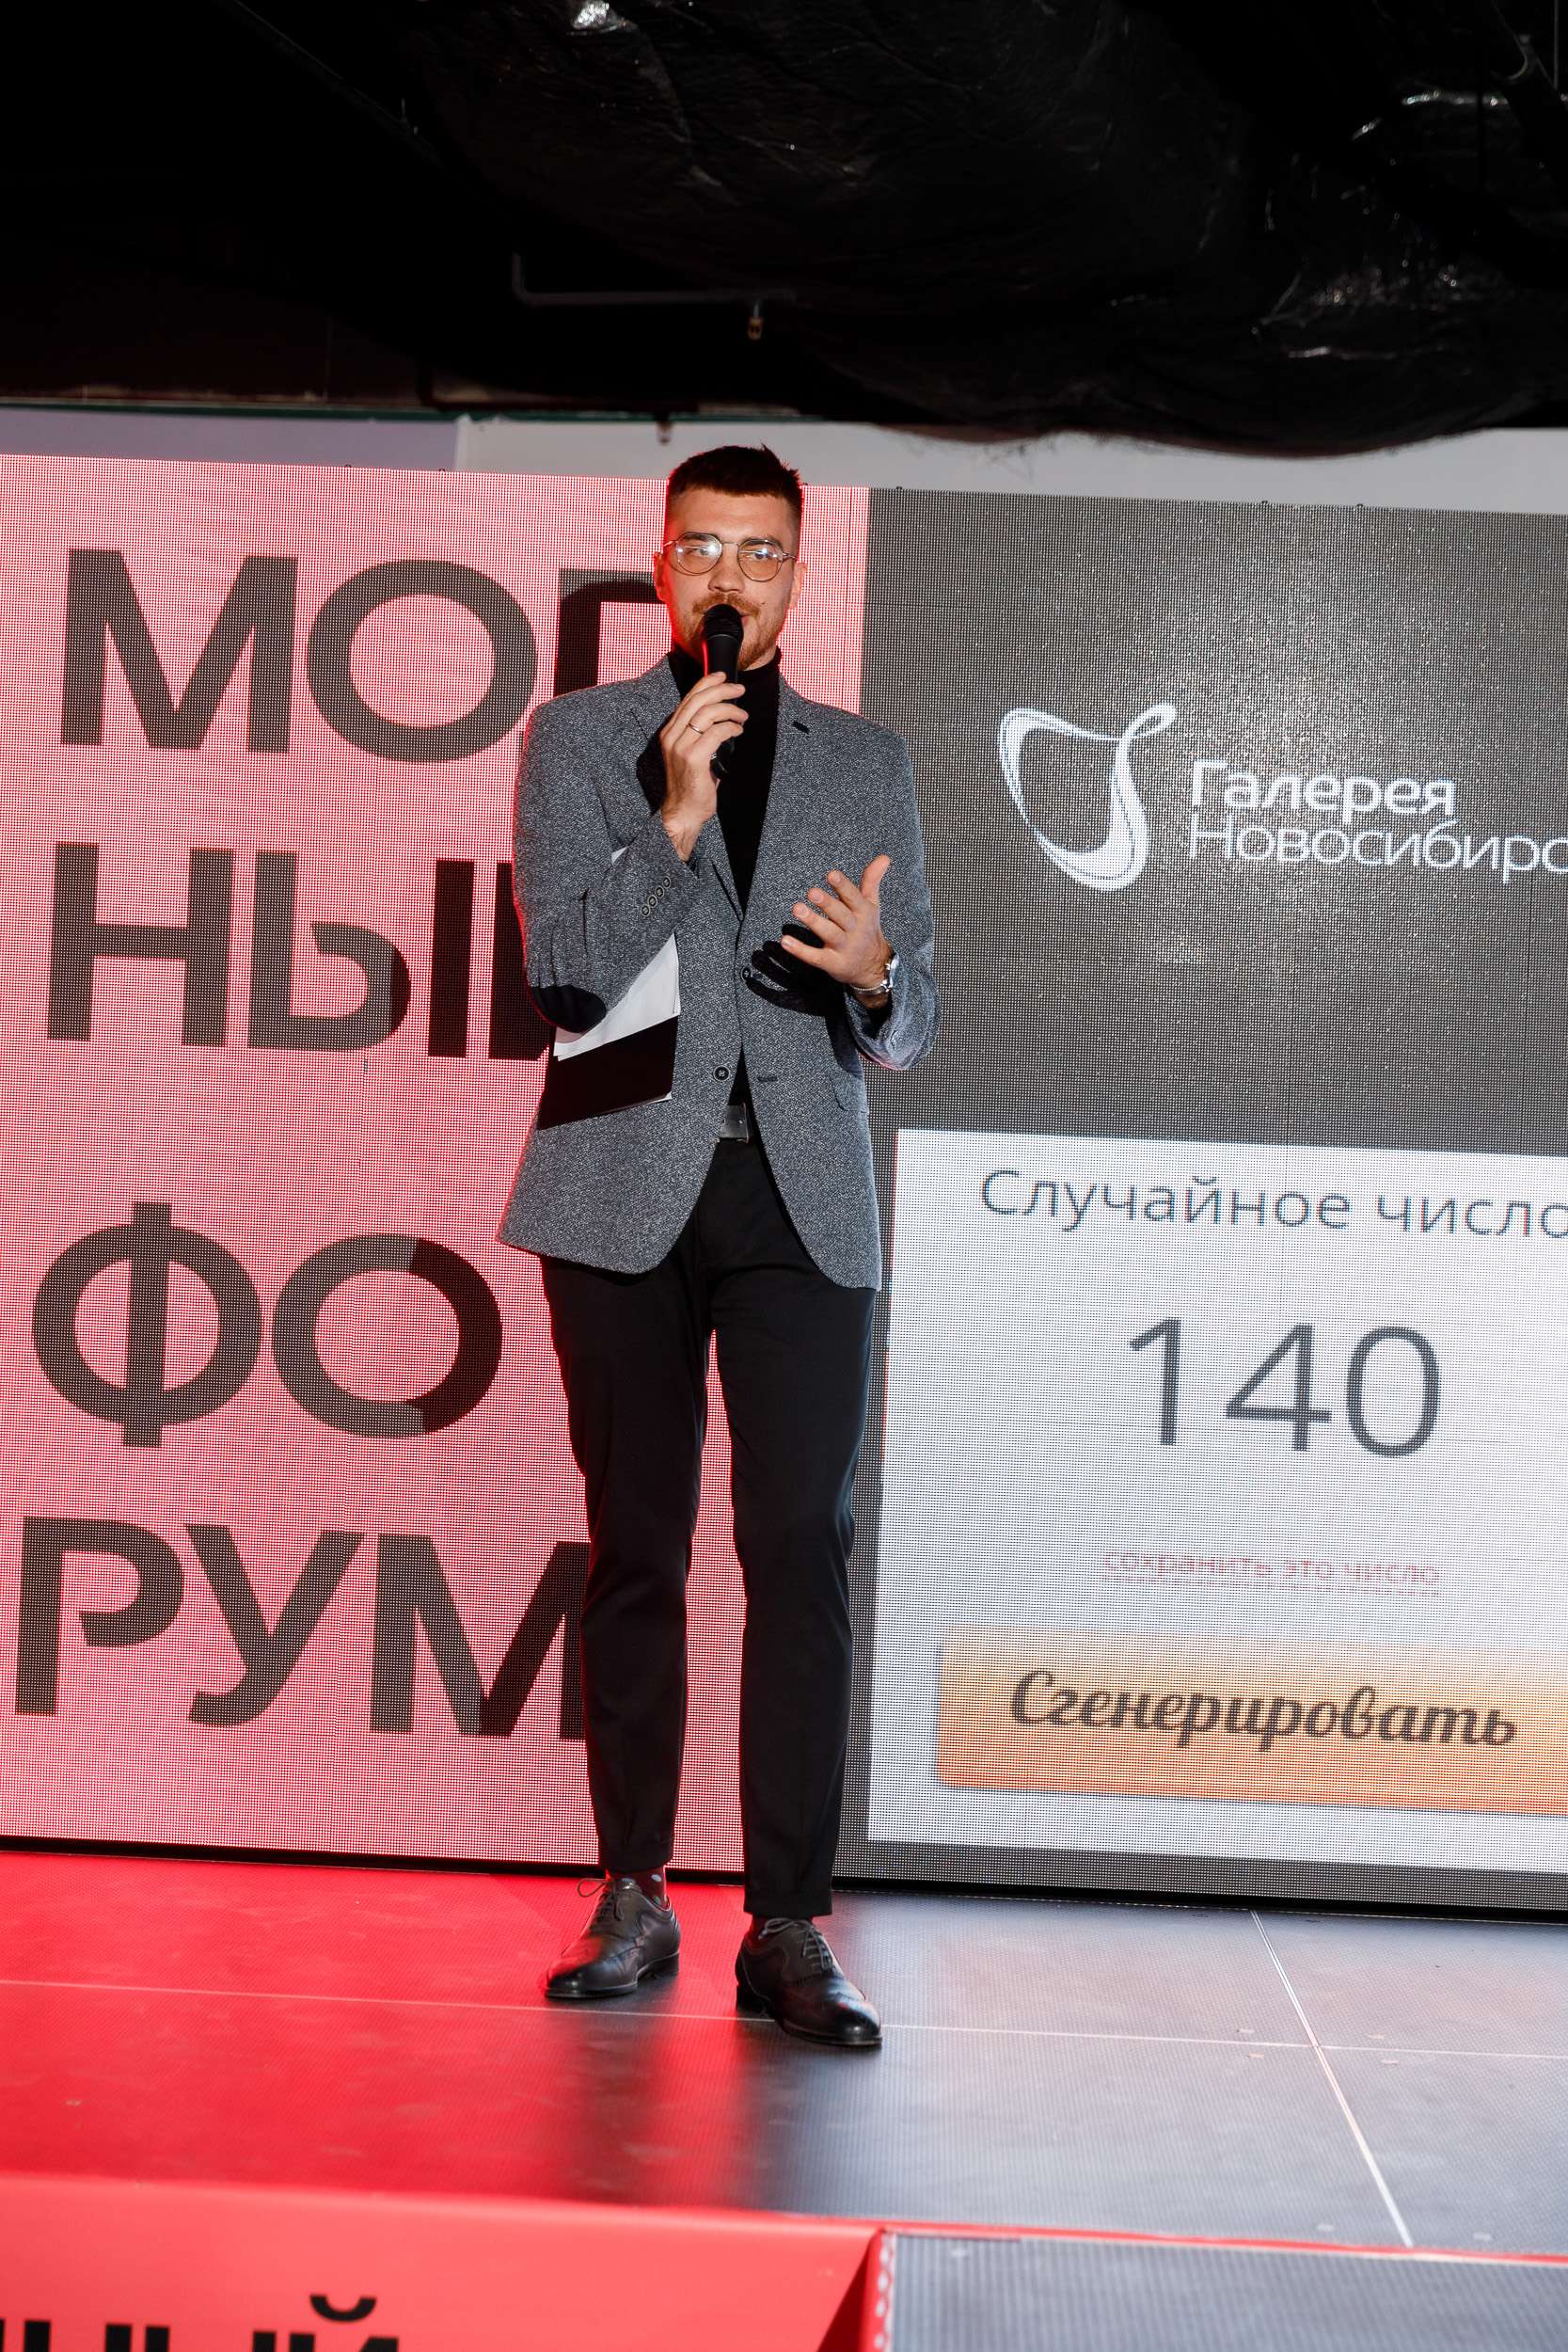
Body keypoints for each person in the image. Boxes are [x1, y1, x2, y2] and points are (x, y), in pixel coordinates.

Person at [498, 443, 939, 2047]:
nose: (730, 577)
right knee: (638, 1544)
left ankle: (789, 1925)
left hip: (802, 1201)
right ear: (663, 568)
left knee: (801, 1548)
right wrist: (673, 822)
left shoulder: (865, 759)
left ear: (797, 575)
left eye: (761, 552)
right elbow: (564, 979)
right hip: (622, 1187)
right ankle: (632, 1888)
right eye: (703, 549)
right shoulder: (579, 739)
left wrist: (877, 976)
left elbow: (912, 1023)